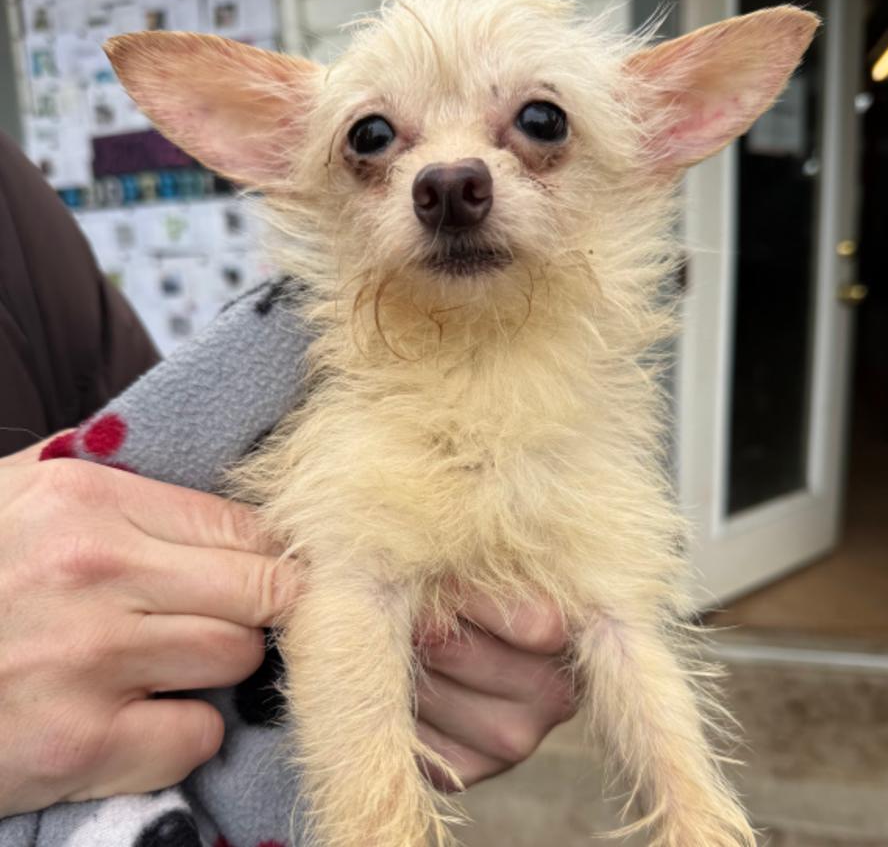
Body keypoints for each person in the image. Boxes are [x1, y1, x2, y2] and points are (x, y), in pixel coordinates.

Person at [0, 130, 575, 818]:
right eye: (373, 142)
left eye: (539, 127)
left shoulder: (13, 211)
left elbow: (161, 462)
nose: (449, 178)